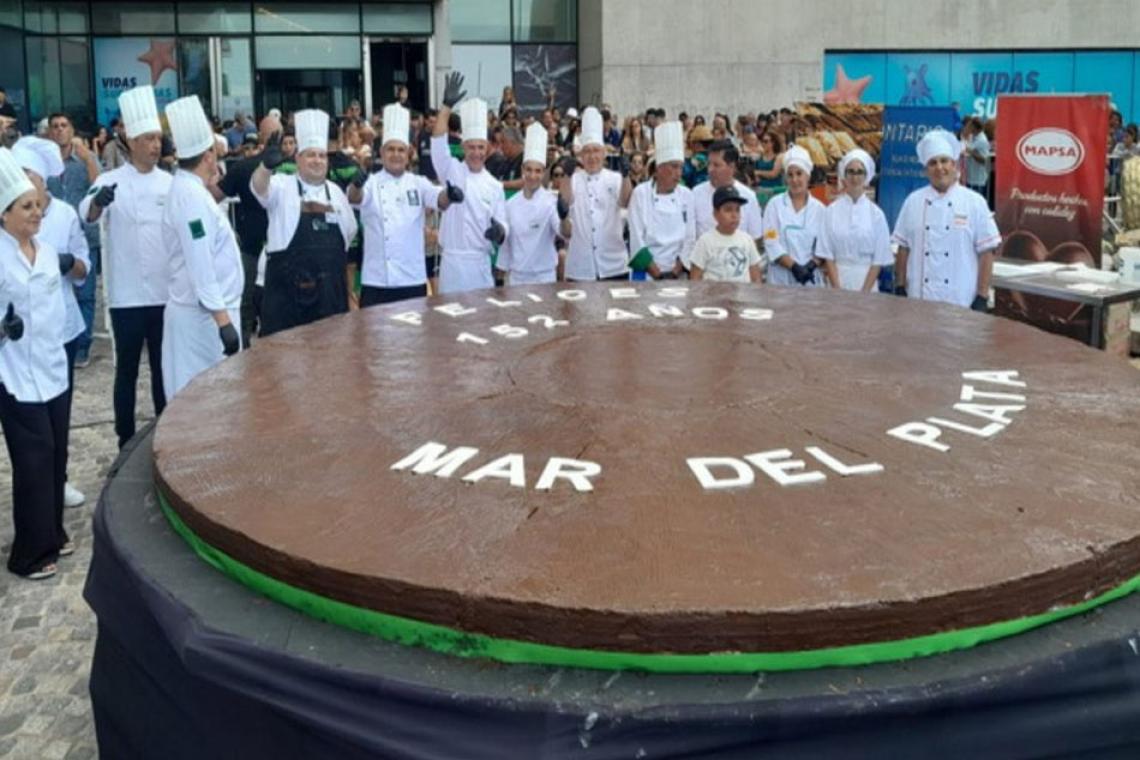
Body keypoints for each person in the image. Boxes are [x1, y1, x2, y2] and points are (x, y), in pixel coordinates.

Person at [78, 86, 172, 448]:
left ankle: (165, 433)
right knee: (127, 371)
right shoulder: (109, 180)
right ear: (130, 140)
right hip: (127, 296)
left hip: (164, 294)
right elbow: (85, 213)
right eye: (148, 138)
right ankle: (125, 439)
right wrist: (99, 203)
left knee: (163, 371)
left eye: (158, 138)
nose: (155, 145)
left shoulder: (171, 183)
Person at [0, 147, 71, 580]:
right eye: (26, 207)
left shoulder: (45, 252)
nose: (36, 213)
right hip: (14, 375)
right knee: (33, 460)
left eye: (38, 205)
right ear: (4, 213)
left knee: (57, 455)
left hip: (53, 368)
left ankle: (53, 534)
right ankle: (27, 553)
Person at [13, 136, 89, 509]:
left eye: (31, 177)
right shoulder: (8, 224)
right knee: (31, 429)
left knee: (59, 415)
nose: (27, 183)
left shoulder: (64, 215)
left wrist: (68, 264)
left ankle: (59, 481)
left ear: (44, 181)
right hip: (20, 342)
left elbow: (83, 268)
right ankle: (39, 493)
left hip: (62, 329)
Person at [161, 95, 244, 398]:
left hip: (208, 316)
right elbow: (200, 264)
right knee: (200, 403)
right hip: (203, 322)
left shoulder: (191, 190)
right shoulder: (190, 198)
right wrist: (223, 323)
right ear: (208, 155)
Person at [251, 108, 357, 336]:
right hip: (287, 305)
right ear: (297, 158)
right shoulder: (281, 185)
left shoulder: (336, 194)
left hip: (330, 304)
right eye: (310, 155)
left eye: (321, 155)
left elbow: (348, 234)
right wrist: (265, 167)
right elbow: (259, 189)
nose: (317, 161)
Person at [351, 102, 454, 306]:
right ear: (381, 153)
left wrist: (450, 194)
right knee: (374, 338)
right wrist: (357, 184)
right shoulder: (371, 183)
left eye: (401, 150)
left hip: (412, 279)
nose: (396, 155)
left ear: (408, 154)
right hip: (377, 281)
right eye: (391, 149)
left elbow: (439, 199)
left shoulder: (418, 183)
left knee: (413, 337)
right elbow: (355, 198)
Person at [892, 129, 1001, 311]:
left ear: (954, 165)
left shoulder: (974, 202)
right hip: (918, 300)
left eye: (944, 161)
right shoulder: (913, 201)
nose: (939, 168)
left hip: (960, 301)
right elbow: (903, 248)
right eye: (933, 163)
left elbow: (987, 253)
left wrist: (982, 296)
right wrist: (901, 286)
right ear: (926, 170)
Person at [430, 72, 509, 294]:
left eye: (480, 147)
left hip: (479, 264)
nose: (476, 153)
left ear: (488, 149)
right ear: (463, 147)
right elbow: (437, 140)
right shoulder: (451, 169)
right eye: (471, 147)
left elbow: (503, 224)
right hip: (452, 264)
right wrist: (446, 106)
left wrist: (499, 231)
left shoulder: (494, 186)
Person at [45, 112, 100, 367]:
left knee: (86, 294)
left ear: (72, 130)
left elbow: (99, 185)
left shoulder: (83, 161)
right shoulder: (44, 166)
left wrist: (88, 157)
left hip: (85, 234)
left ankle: (82, 346)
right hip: (54, 239)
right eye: (54, 126)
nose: (59, 130)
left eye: (63, 125)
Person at [218, 118, 275, 345]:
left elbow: (214, 194)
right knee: (248, 301)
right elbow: (214, 194)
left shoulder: (243, 167)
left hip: (262, 245)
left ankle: (247, 349)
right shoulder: (245, 168)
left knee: (248, 302)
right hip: (254, 247)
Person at [560, 106, 633, 282]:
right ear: (581, 155)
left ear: (604, 153)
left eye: (596, 151)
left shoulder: (615, 178)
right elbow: (564, 202)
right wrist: (566, 175)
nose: (592, 157)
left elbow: (625, 202)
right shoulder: (575, 179)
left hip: (613, 265)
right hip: (580, 268)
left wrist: (626, 176)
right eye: (587, 151)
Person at [497, 122, 565, 285]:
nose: (532, 175)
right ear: (522, 170)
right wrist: (500, 276)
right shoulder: (511, 204)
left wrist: (565, 217)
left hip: (545, 277)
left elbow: (562, 231)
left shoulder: (551, 202)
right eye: (529, 170)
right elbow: (506, 244)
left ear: (543, 173)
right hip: (517, 278)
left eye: (537, 171)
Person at [817, 148, 892, 293]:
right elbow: (828, 254)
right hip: (837, 283)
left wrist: (864, 292)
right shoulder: (831, 211)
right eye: (850, 171)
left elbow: (878, 259)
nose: (855, 177)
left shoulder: (876, 214)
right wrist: (837, 289)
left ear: (867, 176)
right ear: (843, 175)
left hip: (866, 284)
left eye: (859, 172)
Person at [628, 121, 695, 280]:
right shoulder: (640, 194)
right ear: (658, 168)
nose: (678, 173)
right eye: (673, 167)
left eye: (680, 167)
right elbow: (637, 238)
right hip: (647, 274)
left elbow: (690, 238)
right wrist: (657, 274)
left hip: (678, 274)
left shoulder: (686, 195)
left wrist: (675, 272)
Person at [762, 145, 828, 287]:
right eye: (790, 175)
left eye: (799, 173)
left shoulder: (820, 210)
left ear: (808, 175)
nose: (794, 179)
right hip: (780, 278)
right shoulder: (774, 205)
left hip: (809, 279)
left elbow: (824, 244)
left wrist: (810, 266)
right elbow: (771, 241)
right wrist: (794, 267)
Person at [692, 140, 763, 242]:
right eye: (709, 164)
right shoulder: (696, 193)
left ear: (732, 167)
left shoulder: (748, 197)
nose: (710, 170)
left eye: (716, 165)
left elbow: (755, 237)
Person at [689, 186, 762, 283]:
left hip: (743, 296)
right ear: (715, 214)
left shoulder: (747, 240)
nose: (734, 215)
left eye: (737, 210)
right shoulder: (705, 241)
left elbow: (756, 276)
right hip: (714, 296)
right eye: (728, 210)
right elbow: (695, 279)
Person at [486, 125, 525, 193]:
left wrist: (500, 184)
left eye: (503, 142)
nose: (501, 146)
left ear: (514, 142)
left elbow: (527, 182)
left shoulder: (525, 160)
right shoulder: (504, 162)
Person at [961, 117, 991, 197]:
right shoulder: (973, 137)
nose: (968, 127)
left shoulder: (981, 140)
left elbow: (965, 149)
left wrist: (972, 152)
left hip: (978, 179)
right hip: (971, 177)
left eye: (970, 126)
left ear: (974, 127)